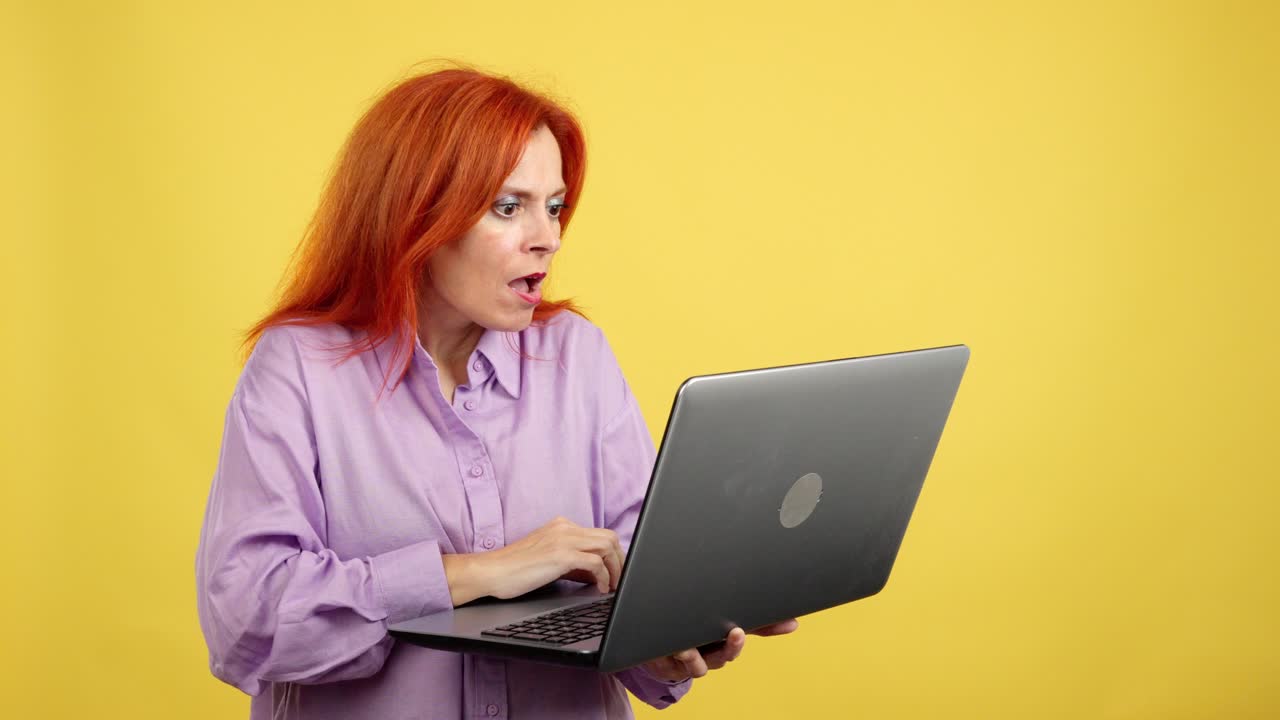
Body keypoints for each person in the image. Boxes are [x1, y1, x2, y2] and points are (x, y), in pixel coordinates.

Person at [195, 65, 798, 719]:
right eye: (508, 207)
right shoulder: (300, 368)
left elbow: (637, 573)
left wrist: (664, 640)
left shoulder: (577, 355)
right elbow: (244, 619)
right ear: (415, 214)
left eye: (555, 205)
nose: (549, 237)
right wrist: (474, 574)